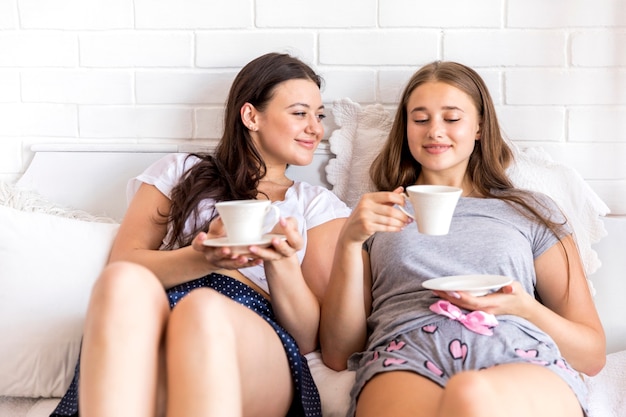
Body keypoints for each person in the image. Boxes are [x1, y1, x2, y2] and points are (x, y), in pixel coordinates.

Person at [50, 52, 351, 417]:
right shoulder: (181, 172)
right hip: (163, 316)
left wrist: (280, 261)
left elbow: (309, 339)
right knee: (122, 282)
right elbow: (124, 262)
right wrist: (202, 257)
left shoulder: (316, 205)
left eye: (319, 116)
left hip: (253, 335)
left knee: (202, 307)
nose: (316, 128)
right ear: (251, 115)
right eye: (300, 113)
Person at [319, 61, 606, 417]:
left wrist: (523, 307)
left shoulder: (532, 212)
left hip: (516, 347)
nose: (434, 131)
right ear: (406, 129)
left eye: (452, 119)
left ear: (479, 128)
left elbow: (591, 355)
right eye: (420, 119)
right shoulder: (376, 214)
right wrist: (349, 242)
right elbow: (337, 354)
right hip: (406, 352)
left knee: (470, 395)